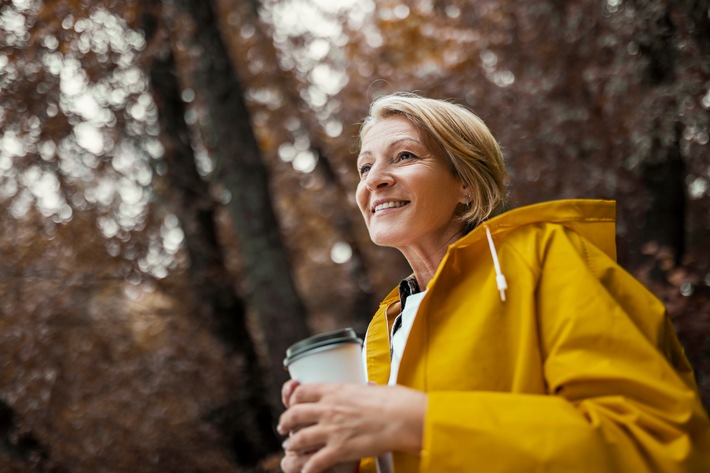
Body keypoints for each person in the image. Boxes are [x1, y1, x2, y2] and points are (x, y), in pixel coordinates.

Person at [277, 92, 710, 473]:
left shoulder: (545, 257)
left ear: (465, 183)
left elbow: (657, 444)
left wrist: (419, 421)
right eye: (364, 167)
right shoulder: (385, 327)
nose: (373, 180)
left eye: (405, 156)